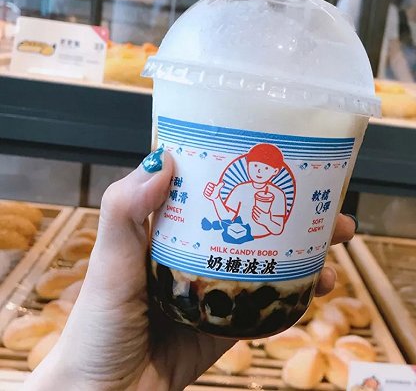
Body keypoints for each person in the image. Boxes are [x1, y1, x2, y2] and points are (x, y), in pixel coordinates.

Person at [24, 149, 356, 390]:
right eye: (255, 167)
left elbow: (276, 227)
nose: (259, 174)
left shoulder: (278, 196)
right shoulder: (241, 188)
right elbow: (225, 214)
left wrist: (266, 216)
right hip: (202, 271)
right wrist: (215, 200)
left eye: (266, 170)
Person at [204, 144, 287, 237]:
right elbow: (228, 218)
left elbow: (278, 229)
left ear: (275, 171)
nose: (259, 171)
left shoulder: (278, 194)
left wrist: (267, 221)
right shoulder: (240, 189)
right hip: (240, 237)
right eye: (255, 165)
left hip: (270, 243)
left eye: (266, 168)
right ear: (247, 165)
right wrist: (216, 199)